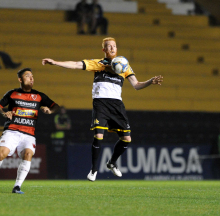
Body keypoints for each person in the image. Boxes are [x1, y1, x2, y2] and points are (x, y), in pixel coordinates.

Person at [42, 37, 163, 181]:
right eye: (109, 46)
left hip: (117, 105)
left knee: (127, 139)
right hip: (101, 103)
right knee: (99, 136)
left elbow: (136, 85)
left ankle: (112, 163)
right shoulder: (98, 64)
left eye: (114, 46)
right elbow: (75, 64)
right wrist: (55, 62)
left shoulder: (124, 66)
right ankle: (93, 170)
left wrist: (150, 81)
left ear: (117, 49)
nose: (112, 48)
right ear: (104, 50)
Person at [0, 67, 59, 194]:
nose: (31, 78)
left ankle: (17, 186)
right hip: (12, 131)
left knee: (28, 154)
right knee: (1, 154)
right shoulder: (12, 93)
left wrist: (50, 111)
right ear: (20, 79)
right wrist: (4, 113)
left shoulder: (39, 96)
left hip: (29, 134)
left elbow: (56, 106)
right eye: (28, 76)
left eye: (32, 76)